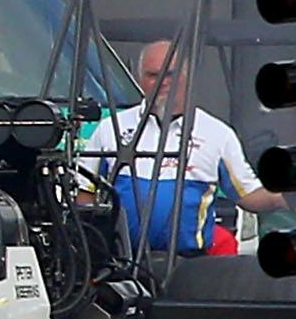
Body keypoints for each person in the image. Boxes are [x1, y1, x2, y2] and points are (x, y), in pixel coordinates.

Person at [98, 33, 278, 263]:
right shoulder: (110, 128)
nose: (163, 82)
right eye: (153, 75)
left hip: (189, 264)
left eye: (170, 74)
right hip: (122, 261)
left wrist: (288, 196)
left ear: (187, 77)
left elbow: (248, 195)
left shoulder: (217, 133)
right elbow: (84, 193)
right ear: (139, 79)